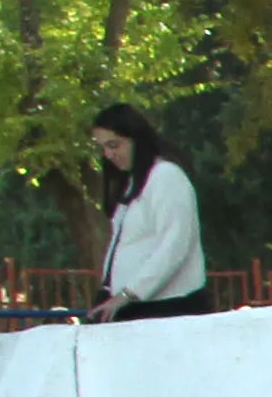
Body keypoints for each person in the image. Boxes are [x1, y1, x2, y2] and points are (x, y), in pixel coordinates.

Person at [89, 106, 209, 321]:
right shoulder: (134, 183)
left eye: (114, 145)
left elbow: (175, 244)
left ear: (137, 139)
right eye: (103, 148)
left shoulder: (166, 176)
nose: (108, 155)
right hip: (135, 305)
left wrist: (130, 293)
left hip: (168, 308)